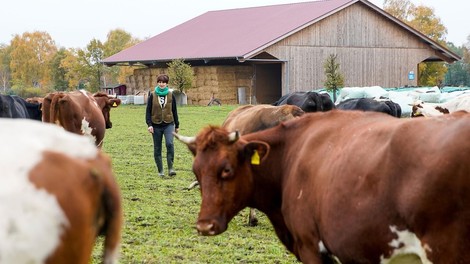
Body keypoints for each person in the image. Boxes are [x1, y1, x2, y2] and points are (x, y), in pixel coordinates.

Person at [146, 74, 179, 177]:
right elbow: (148, 111)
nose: (161, 84)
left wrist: (177, 125)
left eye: (163, 82)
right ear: (157, 83)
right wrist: (149, 124)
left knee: (169, 144)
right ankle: (160, 171)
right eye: (159, 82)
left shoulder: (170, 95)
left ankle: (171, 168)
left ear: (166, 83)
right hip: (155, 125)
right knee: (157, 147)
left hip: (169, 124)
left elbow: (174, 110)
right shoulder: (152, 95)